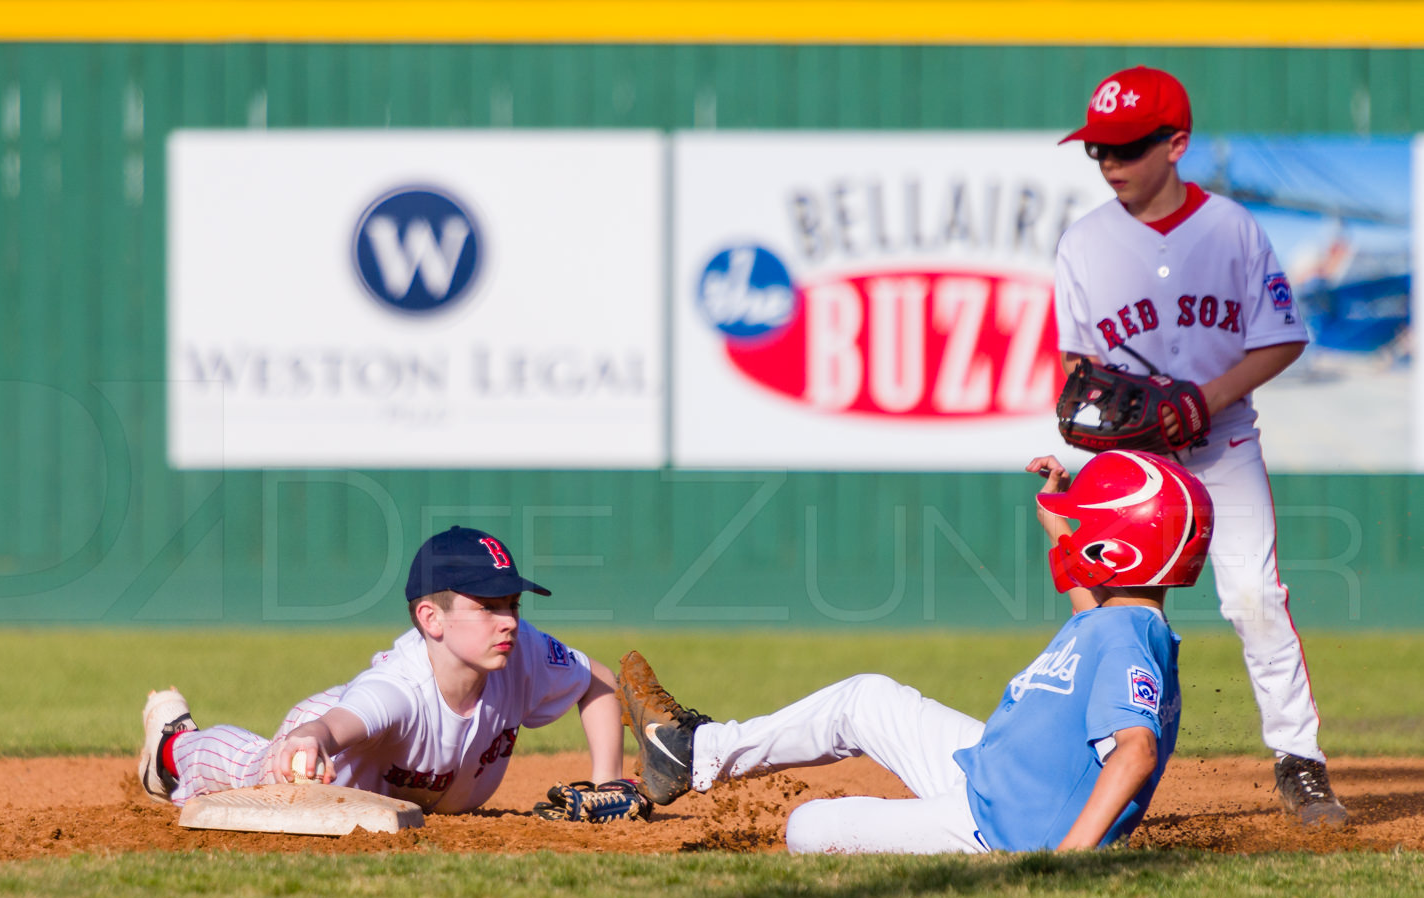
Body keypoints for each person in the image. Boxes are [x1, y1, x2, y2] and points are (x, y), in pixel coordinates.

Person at [619, 449, 1213, 854]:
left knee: (806, 829)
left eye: (1086, 527)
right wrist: (1058, 523)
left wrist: (1065, 861)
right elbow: (1088, 606)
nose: (1074, 531)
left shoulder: (1130, 639)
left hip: (997, 828)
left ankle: (703, 758)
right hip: (991, 771)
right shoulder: (1118, 621)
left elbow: (1135, 752)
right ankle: (695, 754)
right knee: (865, 697)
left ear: (1116, 553)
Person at [1052, 65, 1346, 826]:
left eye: (1126, 147)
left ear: (1176, 143)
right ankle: (1101, 759)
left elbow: (1282, 338)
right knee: (1113, 607)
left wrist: (1201, 399)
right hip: (1132, 460)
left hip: (1223, 444)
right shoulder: (1083, 244)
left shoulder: (1233, 230)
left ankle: (1299, 760)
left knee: (1251, 596)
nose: (1110, 162)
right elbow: (1075, 370)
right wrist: (1092, 426)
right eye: (1098, 150)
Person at [137, 526, 624, 813]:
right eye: (487, 606)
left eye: (513, 605)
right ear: (430, 619)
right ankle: (172, 748)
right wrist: (309, 741)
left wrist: (609, 783)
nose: (508, 621)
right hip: (328, 749)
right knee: (261, 772)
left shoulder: (523, 653)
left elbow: (597, 680)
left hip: (398, 781)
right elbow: (331, 726)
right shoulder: (400, 688)